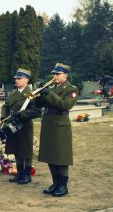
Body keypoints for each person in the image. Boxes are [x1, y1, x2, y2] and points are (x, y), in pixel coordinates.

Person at [35, 63, 78, 197]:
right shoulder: (51, 88)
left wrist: (49, 94)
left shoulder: (71, 89)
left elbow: (64, 105)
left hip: (60, 126)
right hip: (48, 124)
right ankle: (55, 183)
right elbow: (38, 105)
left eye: (58, 74)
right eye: (54, 74)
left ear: (65, 75)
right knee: (50, 155)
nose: (55, 76)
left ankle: (63, 185)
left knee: (61, 156)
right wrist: (40, 93)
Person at [1, 68, 41, 184]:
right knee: (16, 150)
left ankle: (27, 175)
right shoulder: (13, 93)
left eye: (19, 78)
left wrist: (22, 114)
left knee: (26, 151)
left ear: (27, 80)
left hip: (24, 126)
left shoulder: (31, 94)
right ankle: (19, 173)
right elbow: (6, 106)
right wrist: (3, 117)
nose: (16, 80)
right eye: (16, 78)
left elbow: (37, 112)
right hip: (13, 125)